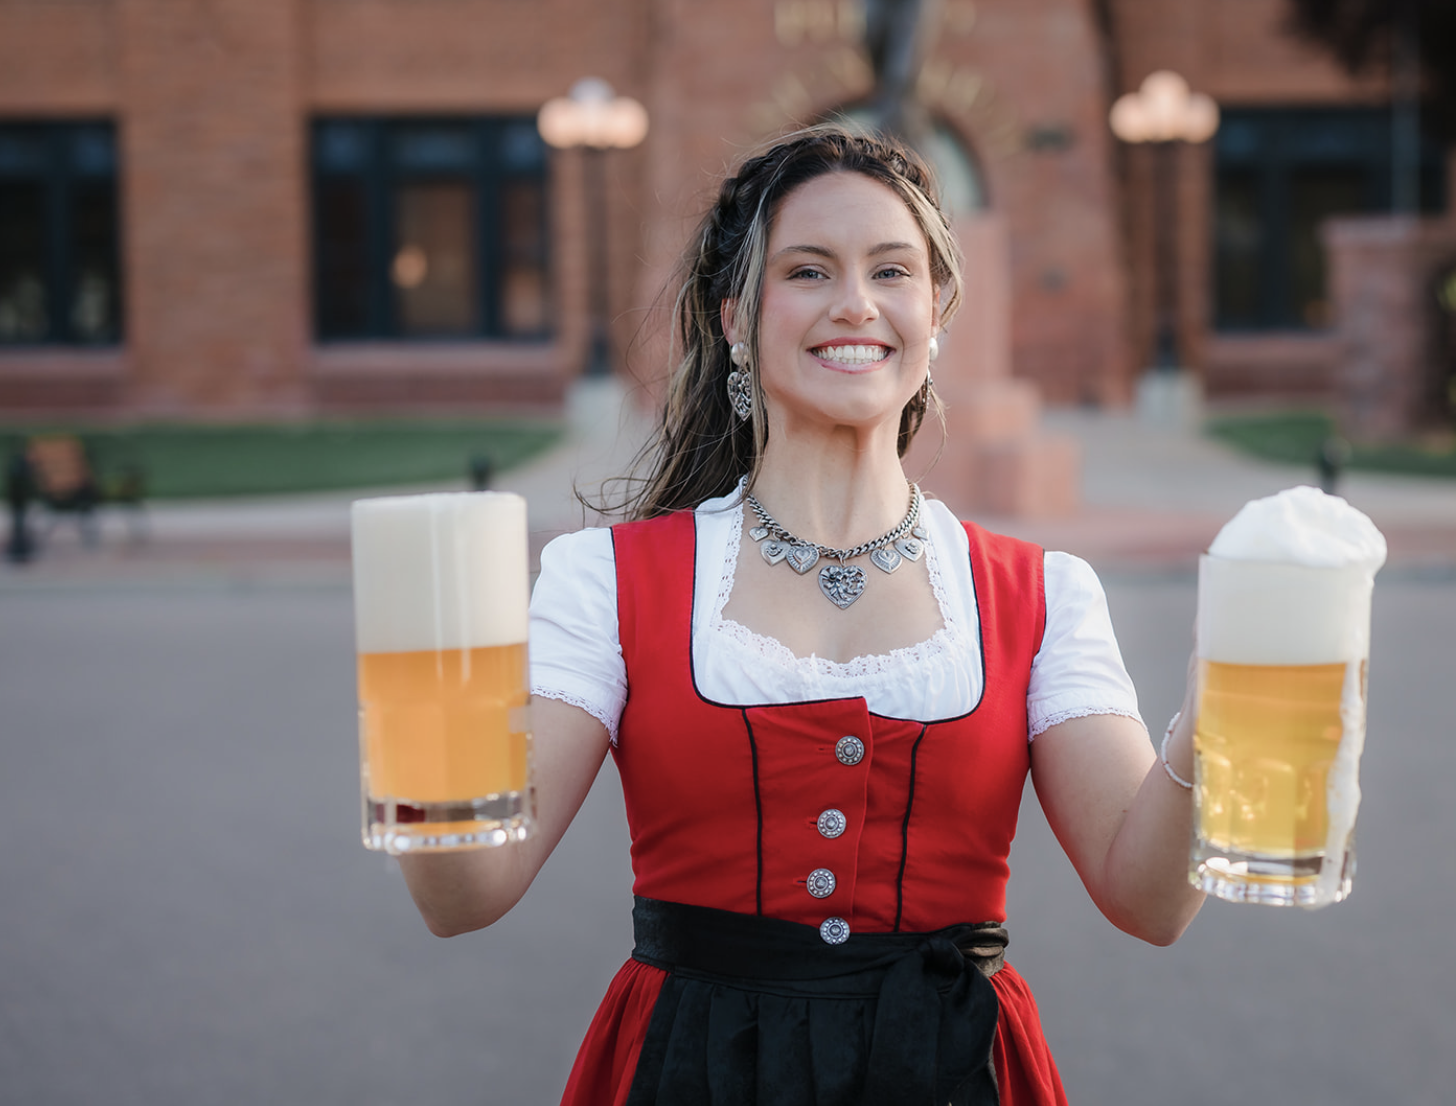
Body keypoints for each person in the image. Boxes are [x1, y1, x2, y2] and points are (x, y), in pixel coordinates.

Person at [397, 125, 1205, 1105]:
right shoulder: (604, 580)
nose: (855, 303)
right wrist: (418, 689)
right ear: (736, 316)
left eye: (891, 270)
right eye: (808, 270)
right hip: (691, 1073)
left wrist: (1221, 709)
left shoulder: (1041, 593)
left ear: (935, 311)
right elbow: (466, 892)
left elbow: (1150, 900)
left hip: (949, 1073)